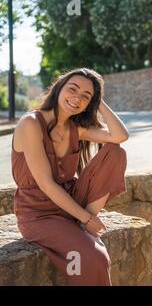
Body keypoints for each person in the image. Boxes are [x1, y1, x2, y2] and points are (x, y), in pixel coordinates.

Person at [12, 68, 129, 286]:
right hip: (39, 215)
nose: (77, 98)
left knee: (116, 151)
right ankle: (83, 225)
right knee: (95, 257)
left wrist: (99, 102)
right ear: (58, 89)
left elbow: (120, 136)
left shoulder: (77, 128)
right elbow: (46, 184)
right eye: (72, 89)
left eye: (86, 96)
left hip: (71, 202)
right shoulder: (31, 123)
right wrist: (88, 219)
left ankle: (81, 227)